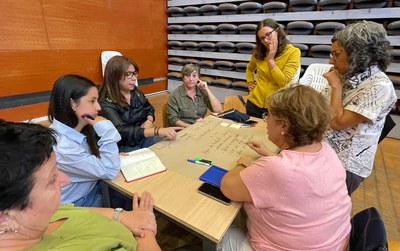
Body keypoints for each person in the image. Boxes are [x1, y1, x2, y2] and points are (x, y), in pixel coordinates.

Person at [220, 85, 351, 251]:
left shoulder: (278, 169)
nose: (266, 121)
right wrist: (270, 155)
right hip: (334, 243)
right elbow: (298, 176)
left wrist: (243, 164)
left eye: (268, 116)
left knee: (218, 234)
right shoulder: (327, 150)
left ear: (284, 126)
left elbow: (228, 187)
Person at [0, 120, 161, 251]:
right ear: (5, 217)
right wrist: (146, 232)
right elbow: (108, 170)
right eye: (51, 179)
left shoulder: (36, 216)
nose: (65, 180)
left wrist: (122, 215)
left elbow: (73, 211)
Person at [322, 20, 397, 195]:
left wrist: (336, 87)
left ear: (358, 54)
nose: (331, 59)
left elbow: (337, 122)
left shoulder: (379, 86)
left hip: (345, 165)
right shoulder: (347, 73)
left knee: (327, 208)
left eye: (337, 54)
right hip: (325, 154)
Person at [48, 74, 121, 207]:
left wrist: (110, 155)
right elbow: (109, 171)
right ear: (73, 104)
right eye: (92, 101)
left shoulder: (78, 128)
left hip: (93, 185)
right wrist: (108, 131)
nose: (98, 107)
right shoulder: (64, 148)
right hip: (80, 202)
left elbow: (91, 159)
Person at [99, 56, 182, 152]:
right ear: (115, 76)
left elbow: (149, 109)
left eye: (134, 74)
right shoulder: (105, 102)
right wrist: (156, 131)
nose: (134, 78)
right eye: (129, 74)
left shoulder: (136, 92)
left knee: (171, 148)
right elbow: (121, 131)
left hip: (143, 137)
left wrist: (149, 121)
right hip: (123, 145)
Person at [245, 18, 301, 118]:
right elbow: (249, 69)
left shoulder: (293, 52)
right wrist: (250, 82)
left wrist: (271, 59)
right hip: (253, 104)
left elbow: (283, 81)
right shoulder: (259, 51)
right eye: (262, 38)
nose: (266, 40)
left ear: (277, 31)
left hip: (275, 107)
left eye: (268, 34)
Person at [167, 63, 222, 127]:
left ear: (198, 78)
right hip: (184, 128)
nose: (191, 79)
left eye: (194, 75)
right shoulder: (174, 95)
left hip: (200, 126)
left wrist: (207, 89)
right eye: (187, 75)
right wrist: (190, 126)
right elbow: (173, 119)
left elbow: (218, 110)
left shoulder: (202, 92)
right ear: (183, 78)